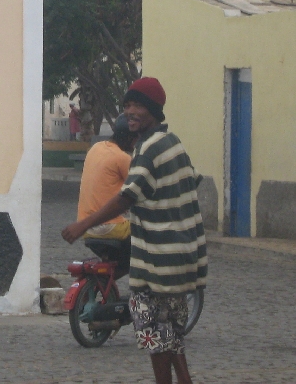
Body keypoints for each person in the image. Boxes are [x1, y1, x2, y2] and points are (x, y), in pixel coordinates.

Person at [62, 77, 207, 384]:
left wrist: (83, 224)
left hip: (157, 261)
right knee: (171, 333)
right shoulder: (173, 144)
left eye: (138, 106)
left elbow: (128, 196)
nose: (131, 112)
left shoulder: (149, 148)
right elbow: (191, 179)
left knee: (154, 332)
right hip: (181, 259)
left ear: (154, 111)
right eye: (127, 105)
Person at [76, 113, 138, 278]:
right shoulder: (123, 158)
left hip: (86, 226)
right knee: (145, 244)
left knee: (119, 261)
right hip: (110, 228)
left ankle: (103, 286)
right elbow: (139, 188)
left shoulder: (95, 148)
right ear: (129, 139)